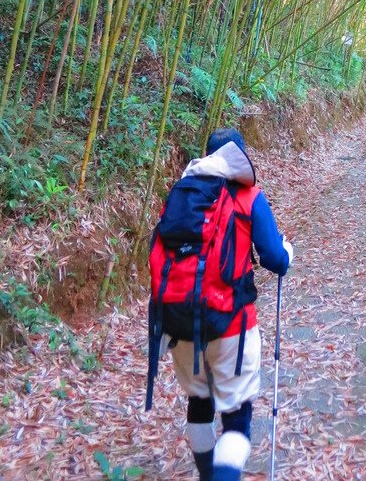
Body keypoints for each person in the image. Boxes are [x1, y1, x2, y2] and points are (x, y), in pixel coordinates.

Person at [147, 127, 293, 481]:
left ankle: (208, 474)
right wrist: (287, 252)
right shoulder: (248, 196)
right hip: (232, 327)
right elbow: (275, 258)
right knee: (237, 418)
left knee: (199, 401)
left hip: (179, 322)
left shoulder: (182, 194)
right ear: (240, 157)